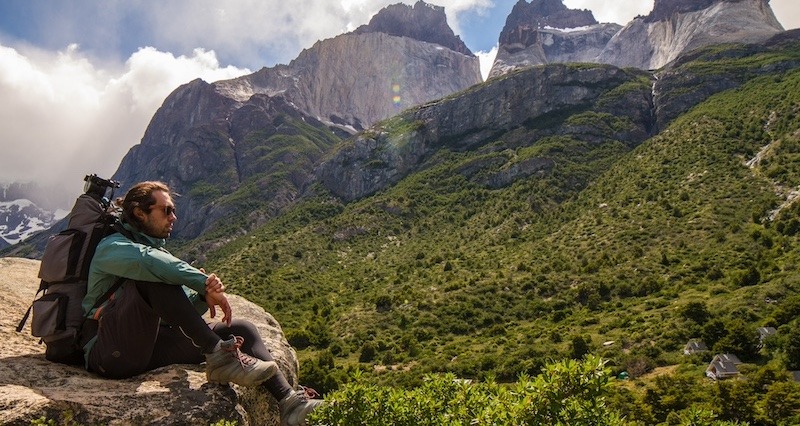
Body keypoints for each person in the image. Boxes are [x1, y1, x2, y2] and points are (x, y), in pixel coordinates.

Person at [82, 181, 322, 426]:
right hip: (109, 352)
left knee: (241, 329)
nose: (174, 217)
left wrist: (200, 297)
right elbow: (150, 264)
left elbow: (172, 311)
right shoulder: (111, 247)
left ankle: (290, 402)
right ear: (139, 213)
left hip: (150, 345)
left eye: (174, 210)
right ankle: (219, 356)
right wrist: (203, 281)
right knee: (156, 279)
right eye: (166, 211)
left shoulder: (154, 251)